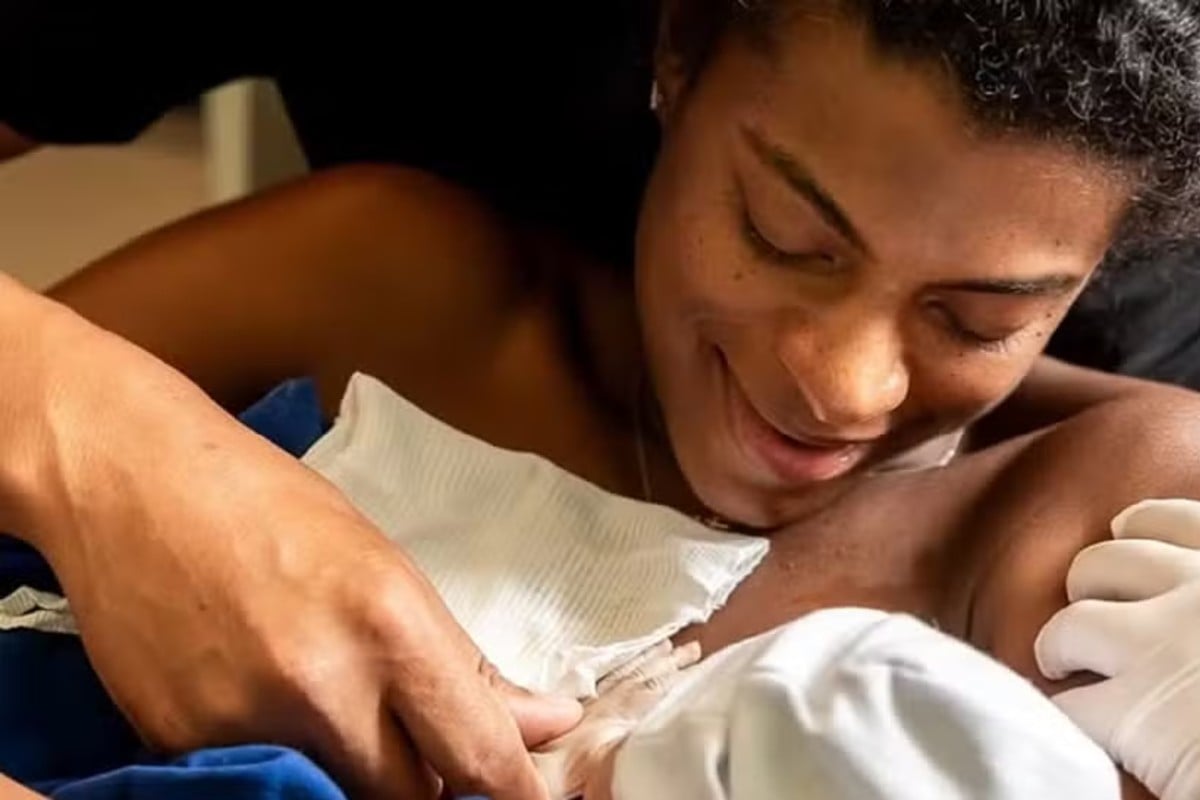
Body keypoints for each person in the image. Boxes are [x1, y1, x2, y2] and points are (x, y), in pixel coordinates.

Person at [6, 1, 1200, 798]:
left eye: (978, 316)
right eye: (783, 233)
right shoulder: (391, 290)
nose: (844, 382)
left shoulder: (1118, 524)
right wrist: (96, 443)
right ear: (674, 59)